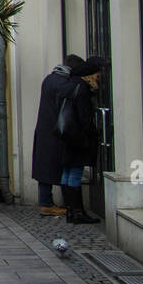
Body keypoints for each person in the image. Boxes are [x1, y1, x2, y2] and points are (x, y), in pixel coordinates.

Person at [32, 54, 102, 223]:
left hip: (49, 128)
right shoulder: (67, 84)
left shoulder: (50, 79)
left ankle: (62, 206)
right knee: (63, 168)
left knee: (51, 167)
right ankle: (56, 205)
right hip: (61, 130)